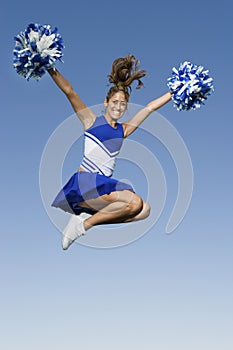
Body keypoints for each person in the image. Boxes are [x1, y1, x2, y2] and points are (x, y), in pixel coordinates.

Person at [48, 55, 172, 250]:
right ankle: (81, 227)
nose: (118, 107)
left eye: (123, 104)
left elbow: (149, 108)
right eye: (114, 102)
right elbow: (69, 91)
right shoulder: (90, 121)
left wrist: (176, 91)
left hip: (104, 189)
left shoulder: (123, 130)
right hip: (86, 183)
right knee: (135, 202)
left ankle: (83, 222)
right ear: (106, 102)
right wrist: (48, 66)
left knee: (143, 211)